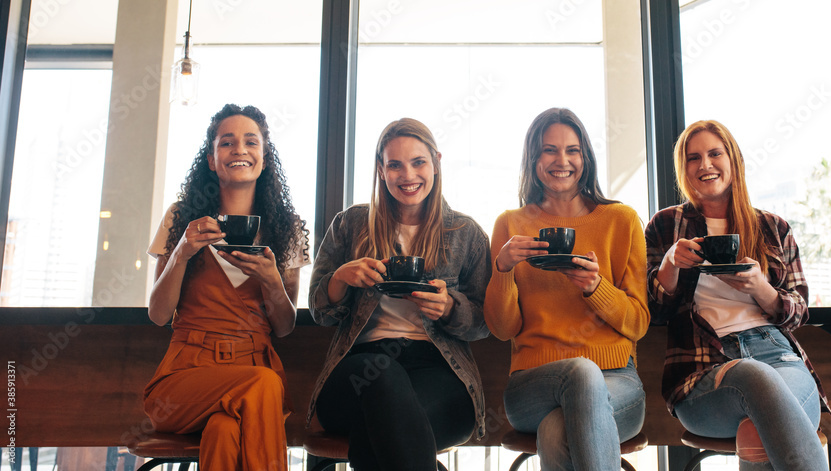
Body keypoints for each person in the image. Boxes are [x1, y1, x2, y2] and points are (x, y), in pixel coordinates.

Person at [307, 118, 491, 471]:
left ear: (436, 161)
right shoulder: (350, 225)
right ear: (381, 168)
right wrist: (342, 278)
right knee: (384, 378)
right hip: (359, 369)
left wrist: (450, 308)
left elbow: (483, 322)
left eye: (418, 162)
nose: (408, 175)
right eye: (394, 164)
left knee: (384, 429)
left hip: (438, 370)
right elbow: (320, 310)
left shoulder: (466, 233)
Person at [645, 120, 830, 470]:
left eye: (715, 153)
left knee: (755, 431)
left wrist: (761, 289)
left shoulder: (773, 227)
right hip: (702, 370)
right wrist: (670, 264)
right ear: (682, 169)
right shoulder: (664, 226)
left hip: (777, 354)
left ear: (734, 160)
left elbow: (799, 311)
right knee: (752, 376)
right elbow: (652, 312)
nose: (705, 165)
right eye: (693, 157)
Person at [143, 104, 310, 471]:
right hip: (185, 379)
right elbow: (158, 315)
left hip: (253, 365)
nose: (239, 149)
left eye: (251, 142)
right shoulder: (180, 219)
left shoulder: (288, 229)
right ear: (211, 158)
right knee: (264, 385)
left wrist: (271, 280)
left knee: (223, 430)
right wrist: (182, 253)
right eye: (227, 142)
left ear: (264, 160)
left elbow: (284, 326)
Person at [484, 108, 649, 470]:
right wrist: (503, 268)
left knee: (557, 431)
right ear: (533, 158)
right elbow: (501, 328)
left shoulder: (621, 221)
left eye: (572, 150)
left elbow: (638, 323)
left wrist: (596, 287)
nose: (562, 160)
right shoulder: (510, 225)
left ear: (585, 158)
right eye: (549, 150)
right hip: (532, 386)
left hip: (616, 382)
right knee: (579, 372)